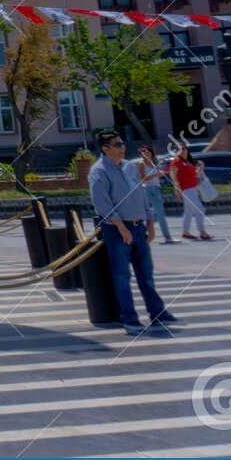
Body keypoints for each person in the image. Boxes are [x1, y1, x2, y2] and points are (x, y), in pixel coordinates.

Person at [88, 131, 177, 334]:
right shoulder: (99, 171)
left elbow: (142, 195)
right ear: (105, 148)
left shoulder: (129, 167)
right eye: (117, 144)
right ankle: (129, 319)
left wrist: (150, 223)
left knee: (146, 273)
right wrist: (120, 226)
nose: (122, 147)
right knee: (122, 276)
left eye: (122, 143)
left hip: (138, 227)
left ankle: (157, 312)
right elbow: (102, 204)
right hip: (117, 230)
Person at [170, 143, 212, 240]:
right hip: (186, 189)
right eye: (180, 149)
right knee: (200, 209)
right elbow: (173, 174)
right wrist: (176, 187)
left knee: (188, 211)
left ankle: (186, 232)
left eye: (184, 149)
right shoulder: (176, 161)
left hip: (192, 188)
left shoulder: (188, 162)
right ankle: (202, 232)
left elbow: (195, 175)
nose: (183, 151)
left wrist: (201, 167)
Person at [137, 145, 174, 245]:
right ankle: (167, 237)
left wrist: (161, 173)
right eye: (144, 152)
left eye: (148, 152)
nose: (146, 154)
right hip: (148, 190)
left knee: (156, 214)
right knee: (157, 214)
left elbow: (157, 175)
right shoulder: (142, 164)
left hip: (156, 189)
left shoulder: (153, 163)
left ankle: (142, 234)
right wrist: (156, 174)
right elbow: (143, 179)